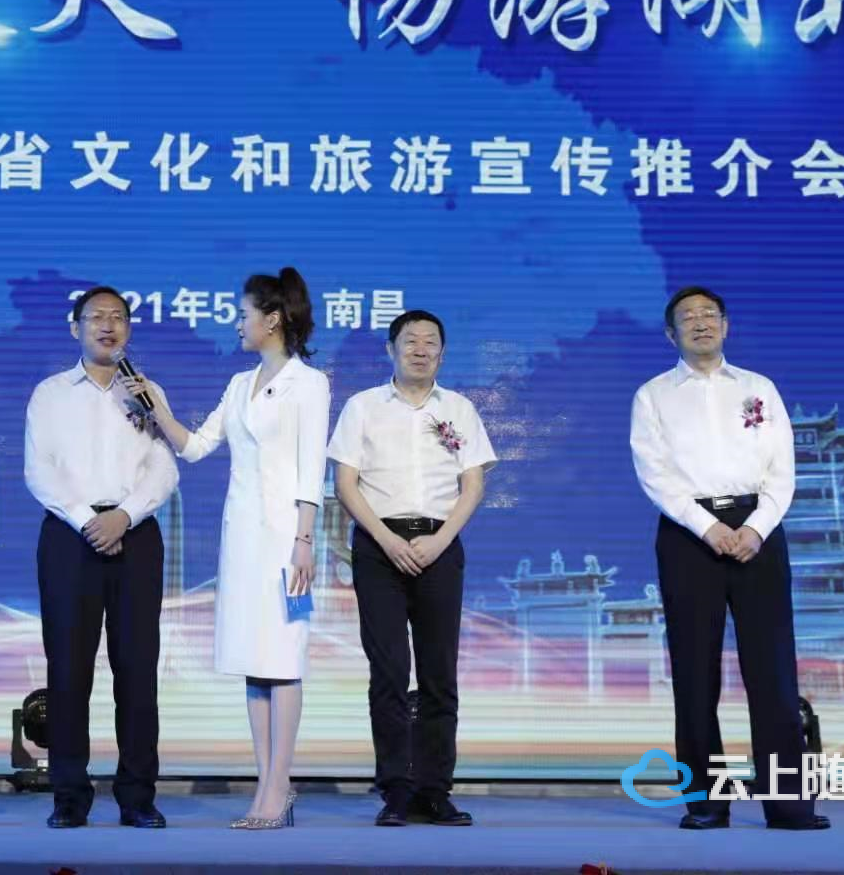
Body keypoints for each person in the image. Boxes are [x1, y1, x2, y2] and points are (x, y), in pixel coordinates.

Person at [123, 267, 329, 830]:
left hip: (288, 540)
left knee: (284, 660)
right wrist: (156, 407)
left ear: (273, 319)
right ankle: (267, 787)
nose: (238, 324)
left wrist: (305, 541)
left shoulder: (310, 384)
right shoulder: (240, 384)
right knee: (253, 664)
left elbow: (311, 466)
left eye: (244, 315)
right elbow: (195, 447)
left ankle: (277, 788)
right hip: (242, 542)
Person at [629, 287, 829, 831]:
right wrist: (708, 527)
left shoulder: (759, 388)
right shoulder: (653, 396)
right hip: (688, 535)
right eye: (687, 317)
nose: (700, 323)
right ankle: (706, 804)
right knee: (695, 674)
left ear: (725, 325)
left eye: (709, 315)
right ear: (670, 334)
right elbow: (655, 475)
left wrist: (756, 528)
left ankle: (789, 804)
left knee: (773, 671)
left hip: (758, 533)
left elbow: (782, 471)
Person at [327, 309, 495, 827]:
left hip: (440, 544)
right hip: (379, 547)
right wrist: (387, 540)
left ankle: (435, 790)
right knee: (390, 673)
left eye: (430, 342)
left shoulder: (460, 408)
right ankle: (396, 790)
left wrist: (440, 540)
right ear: (391, 349)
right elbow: (345, 484)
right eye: (410, 341)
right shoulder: (363, 406)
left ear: (442, 353)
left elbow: (473, 485)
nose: (420, 350)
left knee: (439, 674)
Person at [24, 287, 179, 829]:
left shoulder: (147, 391)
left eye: (118, 318)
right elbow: (39, 470)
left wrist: (124, 516)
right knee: (68, 670)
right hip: (70, 539)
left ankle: (137, 796)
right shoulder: (50, 394)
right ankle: (69, 796)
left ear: (129, 329)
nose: (107, 326)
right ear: (76, 328)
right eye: (96, 318)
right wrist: (87, 520)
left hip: (136, 538)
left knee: (137, 670)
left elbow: (165, 468)